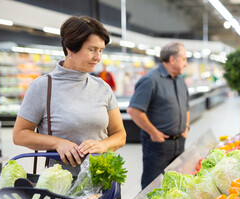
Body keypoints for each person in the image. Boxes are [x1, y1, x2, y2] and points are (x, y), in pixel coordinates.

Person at [13, 16, 126, 177]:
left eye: (101, 50)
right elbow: (19, 134)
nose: (98, 57)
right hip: (60, 184)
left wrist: (103, 145)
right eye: (92, 49)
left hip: (102, 180)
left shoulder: (103, 88)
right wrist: (58, 143)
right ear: (70, 48)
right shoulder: (42, 87)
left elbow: (120, 134)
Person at [127, 42, 190, 189]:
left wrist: (186, 127)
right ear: (172, 59)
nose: (186, 64)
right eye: (184, 59)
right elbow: (134, 110)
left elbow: (186, 107)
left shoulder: (180, 81)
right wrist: (154, 133)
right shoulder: (150, 80)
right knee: (153, 187)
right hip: (158, 145)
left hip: (179, 143)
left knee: (176, 185)